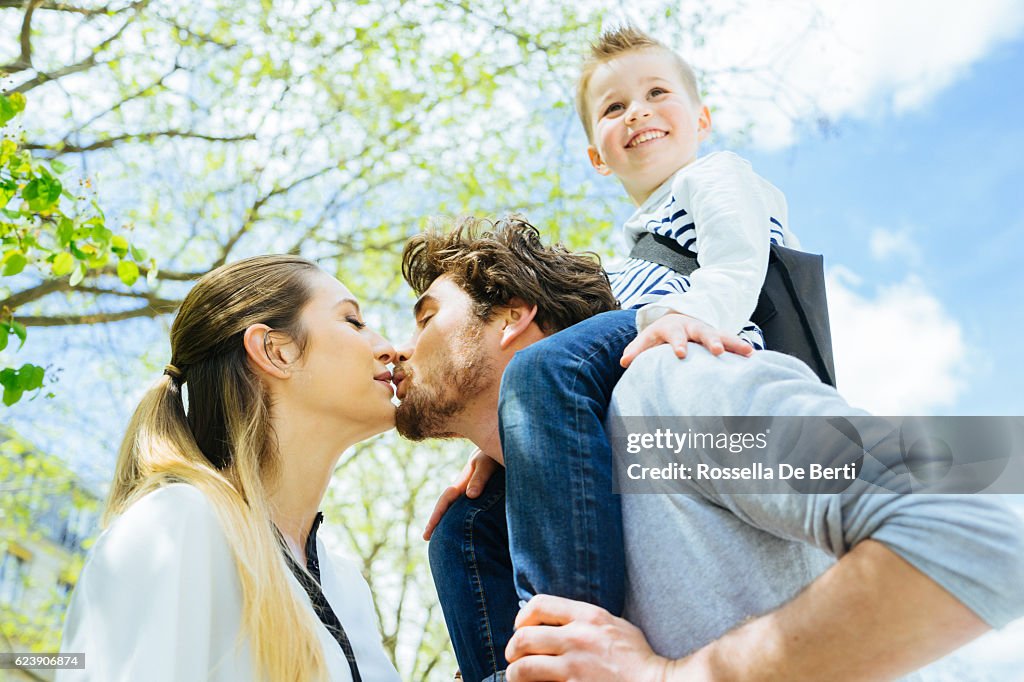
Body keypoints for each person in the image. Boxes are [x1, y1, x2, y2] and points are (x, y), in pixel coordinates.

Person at [394, 216, 1024, 682]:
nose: (400, 348)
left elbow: (965, 526)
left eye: (425, 317)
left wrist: (670, 677)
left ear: (510, 317)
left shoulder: (665, 401)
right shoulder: (490, 535)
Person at [493, 23, 803, 642]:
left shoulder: (712, 176)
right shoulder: (625, 258)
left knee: (538, 371)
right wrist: (512, 439)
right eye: (613, 107)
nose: (638, 111)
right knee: (468, 521)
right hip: (645, 358)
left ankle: (570, 633)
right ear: (596, 158)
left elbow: (741, 259)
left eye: (657, 92)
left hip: (711, 345)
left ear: (701, 118)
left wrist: (696, 316)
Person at [58, 255, 401, 682]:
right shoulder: (178, 523)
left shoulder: (347, 584)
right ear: (276, 351)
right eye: (353, 321)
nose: (391, 348)